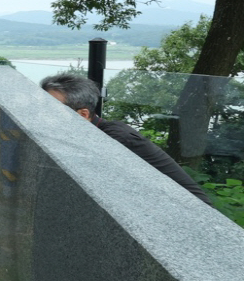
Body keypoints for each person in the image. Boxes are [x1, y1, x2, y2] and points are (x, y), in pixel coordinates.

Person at [40, 71, 213, 205]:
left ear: (83, 114)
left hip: (191, 215)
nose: (41, 114)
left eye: (51, 108)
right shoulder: (90, 135)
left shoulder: (115, 139)